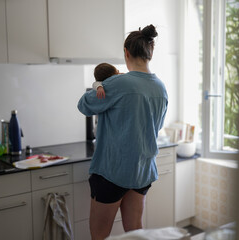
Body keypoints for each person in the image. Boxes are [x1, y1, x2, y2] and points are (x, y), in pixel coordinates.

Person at [77, 24, 168, 240]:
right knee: (135, 231)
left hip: (113, 171)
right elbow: (157, 125)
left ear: (126, 53)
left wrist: (99, 83)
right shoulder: (160, 87)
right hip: (142, 171)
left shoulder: (118, 83)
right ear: (151, 53)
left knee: (99, 234)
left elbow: (84, 105)